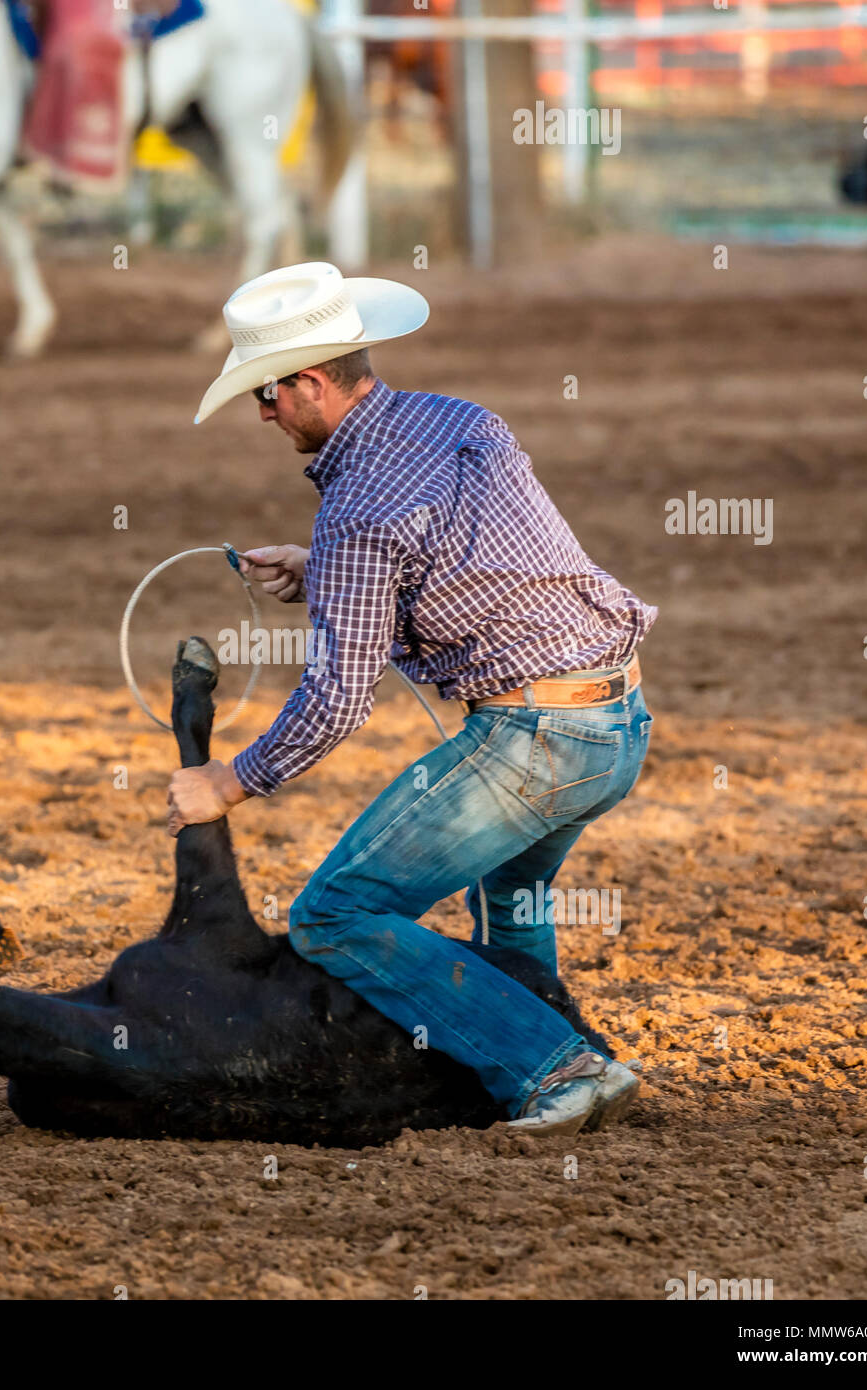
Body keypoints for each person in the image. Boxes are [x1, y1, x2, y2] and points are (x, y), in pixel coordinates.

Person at [167, 262, 658, 1136]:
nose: (263, 412)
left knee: (337, 914)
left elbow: (339, 694)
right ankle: (540, 1051)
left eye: (267, 393)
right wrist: (325, 572)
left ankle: (556, 1068)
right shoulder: (462, 419)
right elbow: (479, 557)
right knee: (511, 898)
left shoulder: (357, 509)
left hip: (535, 739)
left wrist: (228, 782)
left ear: (312, 383)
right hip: (614, 723)